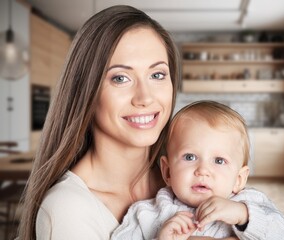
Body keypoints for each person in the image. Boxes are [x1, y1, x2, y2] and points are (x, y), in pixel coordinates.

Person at [18, 5, 180, 240]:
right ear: (86, 91)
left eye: (157, 75)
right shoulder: (68, 209)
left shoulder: (187, 177)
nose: (145, 98)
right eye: (120, 78)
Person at [111, 100, 284, 240]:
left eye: (219, 160)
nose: (203, 170)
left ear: (239, 180)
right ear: (167, 171)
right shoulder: (148, 213)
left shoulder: (249, 204)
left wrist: (243, 215)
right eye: (190, 157)